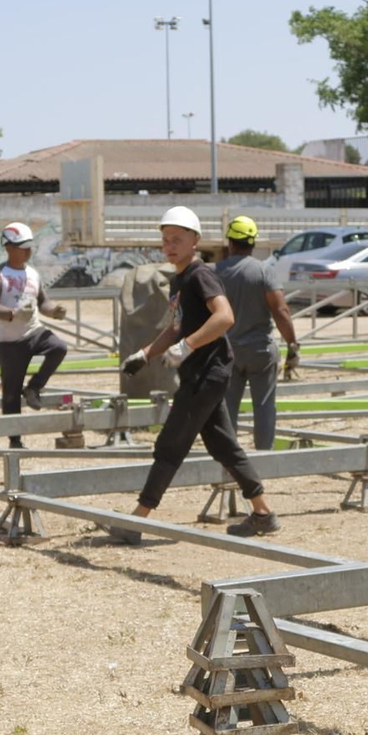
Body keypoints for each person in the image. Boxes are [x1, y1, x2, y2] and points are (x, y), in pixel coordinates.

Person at [115, 207, 280, 540]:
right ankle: (263, 514)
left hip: (207, 373)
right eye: (165, 240)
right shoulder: (180, 280)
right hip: (205, 373)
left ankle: (137, 522)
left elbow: (224, 317)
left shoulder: (199, 275)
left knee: (170, 445)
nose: (170, 245)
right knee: (224, 447)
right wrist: (145, 354)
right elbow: (175, 327)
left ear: (195, 241)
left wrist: (188, 346)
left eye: (177, 239)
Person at [0, 221, 71, 448]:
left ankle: (33, 387)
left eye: (29, 247)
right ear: (9, 247)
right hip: (8, 342)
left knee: (59, 347)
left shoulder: (33, 274)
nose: (28, 251)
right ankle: (15, 440)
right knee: (10, 393)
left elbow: (43, 302)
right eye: (23, 247)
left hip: (33, 332)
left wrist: (54, 311)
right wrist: (13, 313)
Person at [214, 215, 300, 451]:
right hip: (260, 351)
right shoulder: (264, 271)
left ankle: (229, 460)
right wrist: (292, 343)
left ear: (230, 242)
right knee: (264, 407)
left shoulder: (216, 273)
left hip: (227, 352)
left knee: (227, 408)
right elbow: (281, 310)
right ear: (253, 243)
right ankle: (263, 457)